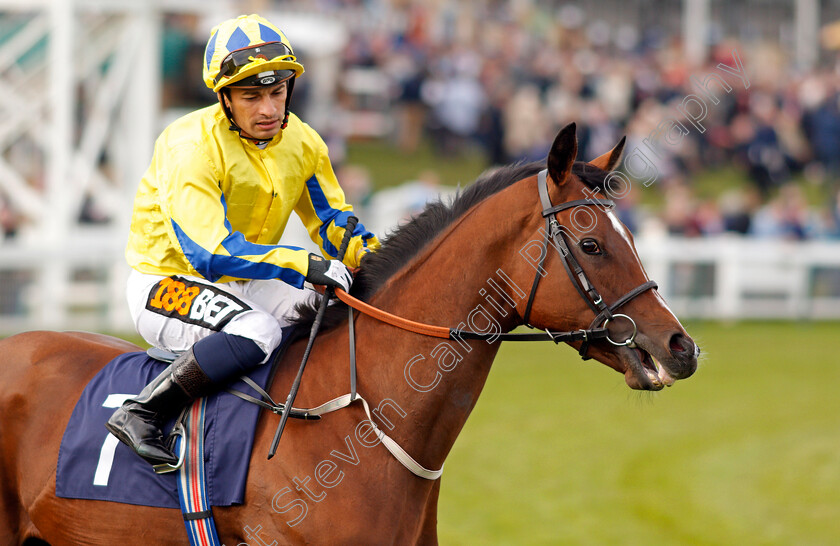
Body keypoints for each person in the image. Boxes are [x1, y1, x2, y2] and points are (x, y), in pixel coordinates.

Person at [106, 14, 379, 466]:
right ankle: (145, 411)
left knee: (334, 312)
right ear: (224, 98)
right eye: (252, 96)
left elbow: (333, 222)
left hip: (245, 281)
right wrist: (303, 264)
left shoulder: (303, 141)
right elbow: (210, 254)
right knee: (258, 330)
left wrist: (379, 260)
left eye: (277, 92)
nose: (269, 109)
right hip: (167, 281)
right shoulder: (189, 146)